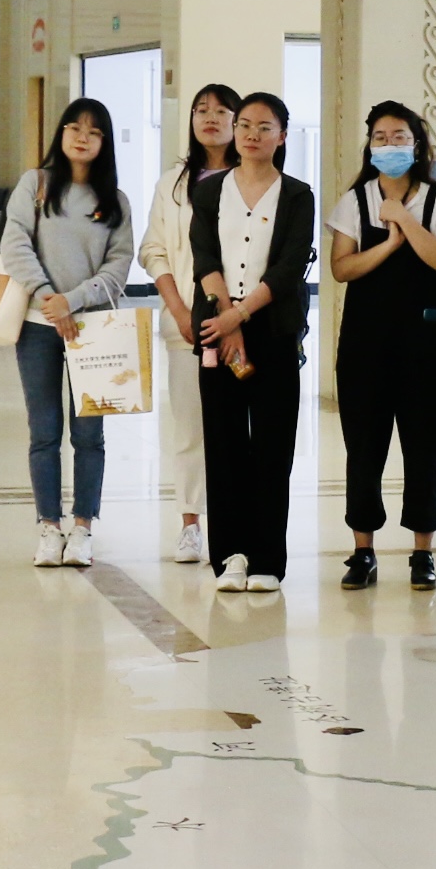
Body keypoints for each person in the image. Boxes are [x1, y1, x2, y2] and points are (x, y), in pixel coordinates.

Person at [325, 102, 436, 593]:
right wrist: (386, 245)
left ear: (417, 143)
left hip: (423, 345)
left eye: (399, 136)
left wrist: (403, 218)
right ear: (369, 145)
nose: (389, 144)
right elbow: (341, 268)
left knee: (425, 446)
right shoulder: (354, 200)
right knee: (363, 447)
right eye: (380, 137)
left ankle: (422, 552)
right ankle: (363, 550)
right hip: (364, 344)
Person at [0, 97, 139, 568]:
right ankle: (48, 527)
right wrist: (47, 297)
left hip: (93, 330)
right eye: (75, 128)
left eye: (94, 132)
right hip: (38, 326)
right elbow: (15, 244)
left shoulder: (115, 201)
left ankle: (82, 528)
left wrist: (72, 301)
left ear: (104, 143)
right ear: (61, 133)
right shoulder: (35, 185)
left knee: (89, 435)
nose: (83, 137)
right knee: (44, 432)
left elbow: (119, 266)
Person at [190, 93, 314, 591]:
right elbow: (203, 257)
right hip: (216, 329)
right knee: (223, 446)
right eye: (244, 124)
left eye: (265, 127)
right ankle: (230, 556)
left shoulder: (297, 195)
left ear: (282, 136)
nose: (252, 134)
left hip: (273, 329)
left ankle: (266, 559)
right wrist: (226, 319)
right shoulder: (209, 191)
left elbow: (289, 268)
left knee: (272, 446)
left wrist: (240, 316)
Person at [139, 83, 245, 566]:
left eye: (222, 111)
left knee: (238, 429)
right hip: (187, 327)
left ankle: (236, 524)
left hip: (244, 324)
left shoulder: (253, 180)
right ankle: (190, 523)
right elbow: (153, 250)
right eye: (202, 110)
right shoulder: (173, 184)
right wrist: (180, 312)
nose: (210, 118)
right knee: (190, 429)